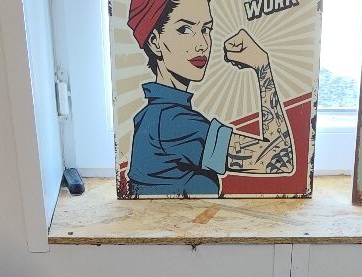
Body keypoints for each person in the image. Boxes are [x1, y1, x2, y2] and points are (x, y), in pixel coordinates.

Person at [125, 0, 295, 197]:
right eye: (185, 29)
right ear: (155, 42)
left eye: (206, 29)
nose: (202, 44)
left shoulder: (152, 114)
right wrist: (262, 66)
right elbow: (281, 159)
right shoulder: (173, 122)